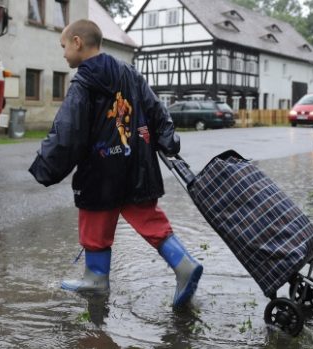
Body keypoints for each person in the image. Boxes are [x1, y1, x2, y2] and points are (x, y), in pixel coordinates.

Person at [28, 19, 203, 308]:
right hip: (137, 165)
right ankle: (184, 265)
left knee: (95, 222)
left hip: (100, 171)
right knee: (149, 218)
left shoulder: (83, 82)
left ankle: (95, 280)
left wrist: (45, 166)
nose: (62, 54)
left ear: (77, 43)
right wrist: (168, 142)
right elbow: (156, 110)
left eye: (63, 46)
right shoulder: (129, 72)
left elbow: (68, 131)